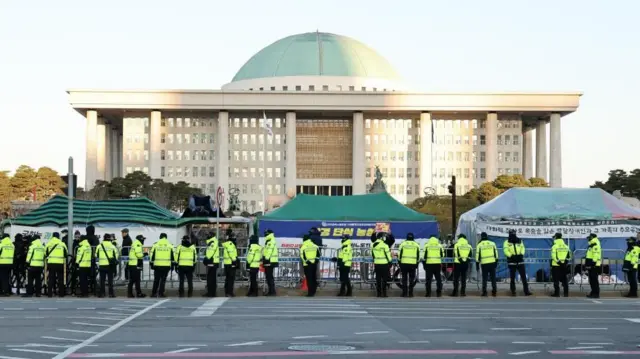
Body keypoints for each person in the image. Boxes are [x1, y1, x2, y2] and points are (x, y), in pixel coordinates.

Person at [503, 230, 532, 297]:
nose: (513, 235)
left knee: (523, 277)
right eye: (511, 233)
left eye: (514, 233)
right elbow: (505, 250)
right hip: (512, 261)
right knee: (512, 278)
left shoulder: (519, 240)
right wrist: (511, 256)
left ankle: (526, 291)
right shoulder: (506, 242)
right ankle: (513, 291)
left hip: (520, 261)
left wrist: (521, 255)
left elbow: (523, 248)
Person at [150, 233, 174, 298]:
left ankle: (153, 293)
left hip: (157, 265)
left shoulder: (156, 244)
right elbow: (173, 256)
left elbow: (151, 255)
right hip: (166, 265)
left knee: (156, 280)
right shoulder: (170, 245)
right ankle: (161, 293)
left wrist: (151, 264)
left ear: (160, 237)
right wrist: (173, 265)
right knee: (163, 280)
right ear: (166, 237)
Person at [45, 232, 68, 297]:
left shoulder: (49, 243)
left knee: (51, 278)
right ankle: (61, 294)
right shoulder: (62, 244)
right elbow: (66, 254)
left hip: (51, 263)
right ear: (58, 237)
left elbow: (45, 253)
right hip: (60, 263)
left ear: (52, 236)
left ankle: (50, 294)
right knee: (60, 279)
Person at [476, 232, 498, 297]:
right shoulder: (492, 243)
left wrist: (477, 264)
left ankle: (484, 292)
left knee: (484, 278)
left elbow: (477, 256)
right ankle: (494, 292)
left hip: (484, 264)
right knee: (493, 278)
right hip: (492, 263)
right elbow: (496, 254)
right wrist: (496, 262)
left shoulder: (479, 245)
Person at [96, 234, 118, 298]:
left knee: (102, 280)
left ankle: (102, 293)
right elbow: (116, 255)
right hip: (110, 265)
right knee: (110, 280)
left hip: (102, 265)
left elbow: (96, 255)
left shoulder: (99, 246)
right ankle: (111, 294)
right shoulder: (112, 246)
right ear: (109, 239)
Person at [397, 233, 419, 297]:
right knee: (411, 279)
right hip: (412, 264)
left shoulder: (403, 244)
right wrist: (416, 263)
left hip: (404, 264)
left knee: (404, 279)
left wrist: (400, 262)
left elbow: (399, 255)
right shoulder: (416, 245)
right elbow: (418, 256)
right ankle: (411, 293)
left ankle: (404, 293)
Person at [550, 233, 571, 298]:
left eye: (554, 237)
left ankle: (557, 293)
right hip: (564, 265)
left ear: (556, 237)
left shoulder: (554, 246)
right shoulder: (566, 246)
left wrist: (559, 262)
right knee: (564, 280)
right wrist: (565, 262)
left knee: (556, 280)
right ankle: (566, 293)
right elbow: (569, 256)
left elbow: (553, 256)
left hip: (556, 265)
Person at [371, 232, 392, 298]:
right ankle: (384, 293)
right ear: (381, 238)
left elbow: (373, 255)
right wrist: (390, 261)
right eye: (383, 237)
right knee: (384, 279)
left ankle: (379, 293)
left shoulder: (373, 245)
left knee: (378, 279)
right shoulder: (385, 245)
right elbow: (388, 256)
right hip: (384, 264)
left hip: (377, 263)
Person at [262, 229, 279, 296]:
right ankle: (271, 291)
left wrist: (266, 258)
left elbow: (269, 250)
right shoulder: (269, 240)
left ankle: (272, 292)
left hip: (270, 261)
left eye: (266, 233)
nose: (265, 234)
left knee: (269, 276)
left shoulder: (270, 240)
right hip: (270, 260)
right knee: (269, 276)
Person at [585, 233, 602, 299]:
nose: (588, 239)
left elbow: (596, 254)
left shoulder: (595, 244)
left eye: (589, 237)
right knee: (591, 280)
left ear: (592, 237)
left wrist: (593, 263)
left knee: (594, 280)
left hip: (594, 265)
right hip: (591, 264)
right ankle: (593, 292)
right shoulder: (592, 244)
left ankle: (596, 293)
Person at [203, 232, 220, 297]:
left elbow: (211, 251)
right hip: (213, 261)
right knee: (211, 278)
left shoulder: (213, 241)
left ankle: (211, 293)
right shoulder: (212, 241)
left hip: (212, 261)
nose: (207, 236)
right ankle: (211, 292)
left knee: (211, 278)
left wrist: (207, 258)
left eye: (208, 235)